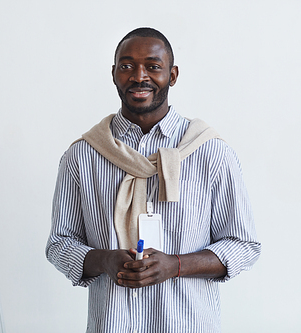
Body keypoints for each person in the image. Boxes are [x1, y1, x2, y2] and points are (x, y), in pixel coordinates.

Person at [45, 27, 261, 333]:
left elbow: (243, 244)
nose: (139, 76)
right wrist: (105, 260)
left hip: (189, 324)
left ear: (172, 75)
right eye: (127, 66)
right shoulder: (83, 156)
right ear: (114, 73)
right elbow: (60, 244)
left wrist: (176, 265)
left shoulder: (210, 152)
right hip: (112, 324)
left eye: (153, 66)